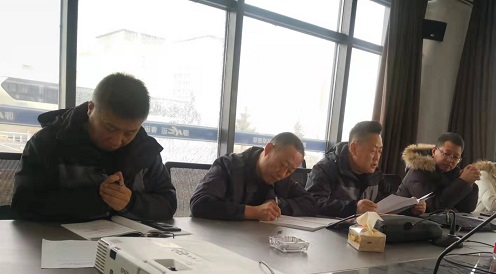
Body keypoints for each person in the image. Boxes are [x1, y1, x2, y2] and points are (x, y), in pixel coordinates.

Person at [11, 73, 176, 222]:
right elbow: (23, 205)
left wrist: (131, 202)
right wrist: (98, 199)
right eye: (109, 128)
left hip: (130, 243)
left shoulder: (144, 149)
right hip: (60, 241)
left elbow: (168, 203)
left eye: (129, 133)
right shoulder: (48, 142)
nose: (116, 141)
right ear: (90, 108)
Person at [305, 121, 426, 218]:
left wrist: (410, 208)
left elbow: (388, 204)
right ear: (353, 148)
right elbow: (311, 202)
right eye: (373, 151)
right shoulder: (326, 169)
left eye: (380, 151)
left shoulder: (375, 174)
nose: (377, 157)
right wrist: (353, 208)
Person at [190, 132, 317, 221]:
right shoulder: (229, 166)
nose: (282, 174)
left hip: (260, 241)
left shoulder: (282, 179)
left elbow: (311, 203)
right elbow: (199, 204)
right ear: (268, 149)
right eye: (282, 165)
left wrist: (277, 204)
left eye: (290, 171)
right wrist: (253, 212)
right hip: (219, 239)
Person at [397, 132, 480, 213]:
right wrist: (463, 182)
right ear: (434, 151)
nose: (450, 160)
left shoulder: (452, 171)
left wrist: (469, 183)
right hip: (403, 218)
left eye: (455, 157)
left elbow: (468, 208)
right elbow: (434, 206)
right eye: (446, 154)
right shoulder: (419, 169)